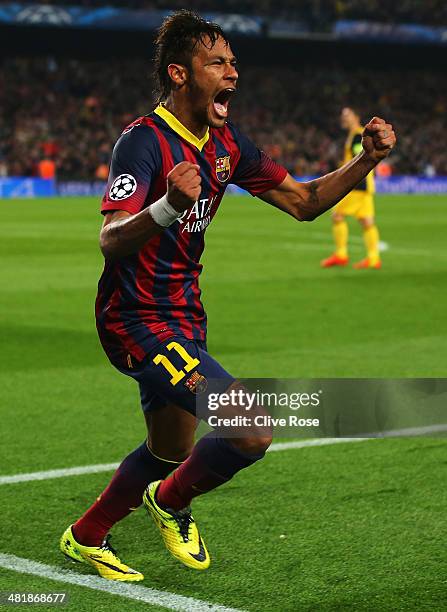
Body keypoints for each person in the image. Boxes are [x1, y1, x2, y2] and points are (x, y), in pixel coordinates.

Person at [60, 11, 396, 581]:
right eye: (217, 62)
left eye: (234, 61)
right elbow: (110, 239)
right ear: (180, 73)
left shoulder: (226, 143)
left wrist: (365, 160)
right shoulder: (143, 141)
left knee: (170, 447)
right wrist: (166, 206)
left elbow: (304, 201)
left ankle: (87, 535)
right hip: (136, 318)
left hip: (186, 314)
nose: (232, 72)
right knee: (250, 425)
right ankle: (168, 503)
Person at [321, 107, 382, 269]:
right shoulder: (357, 134)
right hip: (365, 184)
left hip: (356, 184)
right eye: (343, 116)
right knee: (367, 221)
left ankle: (341, 254)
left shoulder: (357, 135)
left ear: (356, 116)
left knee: (337, 216)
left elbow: (359, 155)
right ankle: (374, 258)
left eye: (347, 115)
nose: (344, 119)